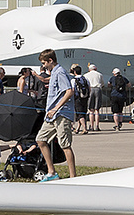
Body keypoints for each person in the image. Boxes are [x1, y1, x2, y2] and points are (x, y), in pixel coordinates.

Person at [36, 49, 77, 179]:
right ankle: (51, 171)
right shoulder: (54, 73)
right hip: (51, 115)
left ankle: (73, 177)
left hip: (61, 114)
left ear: (50, 61)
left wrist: (56, 108)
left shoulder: (59, 72)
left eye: (44, 63)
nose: (43, 65)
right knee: (40, 140)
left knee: (65, 145)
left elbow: (69, 91)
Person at [85, 64, 104, 131]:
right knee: (97, 110)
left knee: (91, 109)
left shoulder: (86, 75)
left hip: (90, 89)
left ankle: (91, 126)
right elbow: (102, 83)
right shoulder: (99, 74)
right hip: (98, 89)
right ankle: (97, 126)